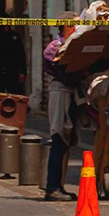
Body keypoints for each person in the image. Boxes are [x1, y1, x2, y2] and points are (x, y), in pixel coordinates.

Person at [43, 12, 83, 201]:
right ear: (67, 26)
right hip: (60, 94)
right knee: (58, 139)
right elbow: (60, 68)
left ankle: (58, 185)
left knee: (66, 142)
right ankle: (52, 188)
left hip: (70, 93)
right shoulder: (56, 46)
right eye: (76, 24)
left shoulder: (73, 44)